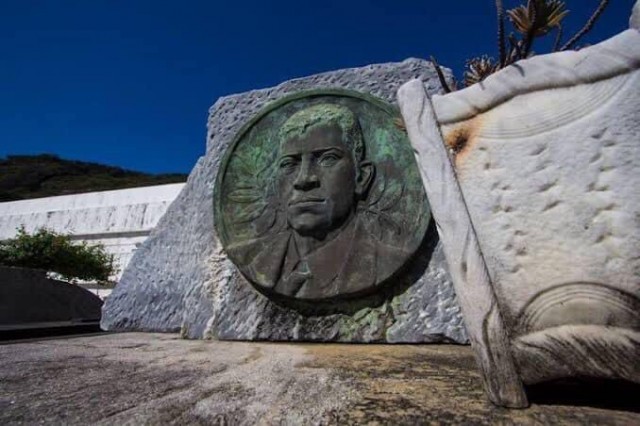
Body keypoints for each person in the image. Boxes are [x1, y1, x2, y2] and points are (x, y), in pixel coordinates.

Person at [227, 103, 408, 299]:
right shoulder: (248, 258)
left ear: (361, 177)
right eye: (289, 164)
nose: (303, 179)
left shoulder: (388, 261)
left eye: (328, 159)